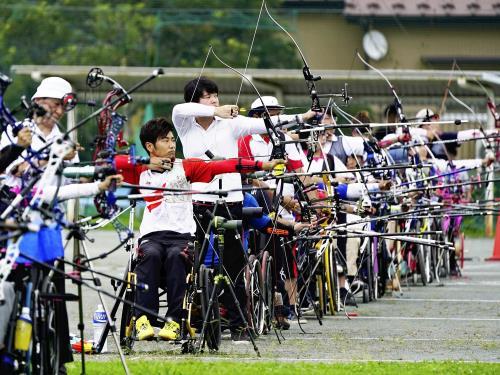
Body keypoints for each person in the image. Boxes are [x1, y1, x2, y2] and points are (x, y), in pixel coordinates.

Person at [171, 77, 317, 341]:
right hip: (198, 204)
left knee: (234, 265)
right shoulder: (184, 123)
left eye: (215, 95)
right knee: (195, 261)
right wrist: (215, 111)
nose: (214, 99)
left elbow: (266, 123)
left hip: (231, 203)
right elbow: (180, 109)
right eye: (207, 96)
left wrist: (305, 116)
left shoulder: (232, 124)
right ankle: (192, 315)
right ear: (196, 101)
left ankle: (238, 323)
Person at [134, 117, 283, 341]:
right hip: (151, 237)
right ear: (150, 147)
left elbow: (225, 165)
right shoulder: (139, 170)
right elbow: (115, 164)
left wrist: (263, 165)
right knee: (150, 255)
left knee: (176, 257)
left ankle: (174, 321)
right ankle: (142, 320)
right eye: (166, 141)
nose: (173, 145)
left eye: (174, 140)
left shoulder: (186, 166)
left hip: (181, 237)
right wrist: (146, 162)